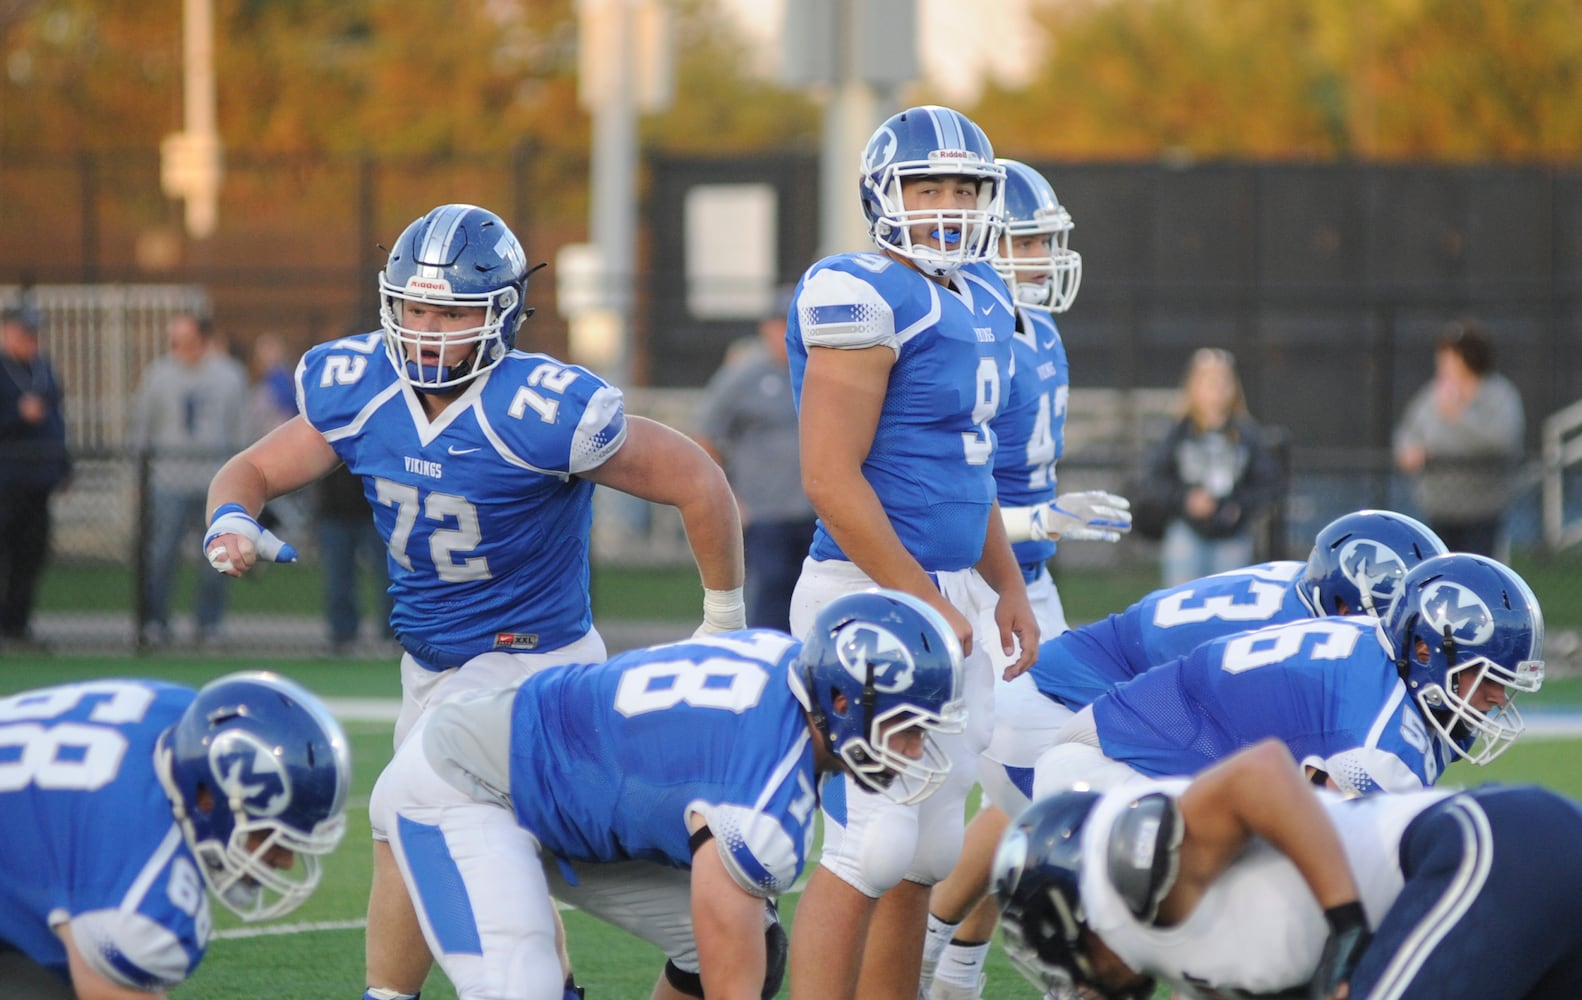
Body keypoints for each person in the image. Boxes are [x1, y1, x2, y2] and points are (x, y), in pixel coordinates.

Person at [199, 203, 744, 1000]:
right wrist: (230, 521)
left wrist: (723, 620)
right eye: (415, 307)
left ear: (501, 314)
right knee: (456, 838)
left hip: (536, 674)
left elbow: (699, 479)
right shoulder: (360, 385)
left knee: (403, 809)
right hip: (432, 668)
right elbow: (248, 471)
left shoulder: (540, 410)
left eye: (452, 311)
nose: (428, 328)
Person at [922, 508, 1445, 998]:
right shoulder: (1325, 637)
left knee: (1033, 826)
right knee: (1195, 883)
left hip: (1049, 703)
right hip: (1070, 709)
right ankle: (945, 968)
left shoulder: (1298, 587)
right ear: (1350, 606)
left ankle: (942, 969)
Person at [369, 588, 966, 1000]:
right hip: (466, 781)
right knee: (523, 987)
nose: (913, 751)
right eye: (906, 726)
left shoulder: (785, 661)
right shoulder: (760, 791)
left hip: (557, 793)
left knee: (755, 943)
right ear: (840, 701)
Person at [784, 104, 1042, 1000]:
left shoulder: (985, 295)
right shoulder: (858, 289)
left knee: (928, 850)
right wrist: (918, 598)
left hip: (946, 590)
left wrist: (1001, 583)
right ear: (881, 194)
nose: (945, 204)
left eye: (962, 187)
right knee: (871, 842)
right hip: (866, 592)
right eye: (925, 185)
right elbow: (828, 476)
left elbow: (968, 471)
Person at [920, 159, 1130, 1000]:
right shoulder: (964, 336)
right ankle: (938, 954)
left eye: (1049, 241)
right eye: (1031, 241)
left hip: (1028, 585)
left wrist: (1041, 527)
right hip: (964, 581)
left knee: (1021, 793)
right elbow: (938, 498)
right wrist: (1036, 524)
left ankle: (956, 968)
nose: (1046, 258)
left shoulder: (1040, 333)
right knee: (1030, 785)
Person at [993, 738, 1582, 1000]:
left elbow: (1263, 773)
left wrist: (1345, 923)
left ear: (1066, 911)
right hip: (1515, 865)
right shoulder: (1186, 957)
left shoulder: (1130, 869)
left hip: (1493, 849)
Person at [1035, 550, 1545, 803]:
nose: (1498, 701)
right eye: (1486, 678)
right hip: (1114, 777)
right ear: (1423, 647)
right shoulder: (1385, 742)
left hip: (1112, 742)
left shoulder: (1371, 639)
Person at [0, 670, 351, 999]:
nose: (285, 861)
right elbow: (103, 988)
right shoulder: (137, 881)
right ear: (205, 795)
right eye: (267, 832)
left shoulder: (187, 714)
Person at [693, 285, 817, 631]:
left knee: (814, 598)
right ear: (767, 328)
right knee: (770, 596)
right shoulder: (745, 375)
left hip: (816, 509)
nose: (788, 333)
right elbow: (705, 433)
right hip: (766, 511)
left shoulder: (817, 370)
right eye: (782, 324)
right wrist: (729, 495)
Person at [131, 309, 249, 646]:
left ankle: (209, 624)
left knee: (220, 557)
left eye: (188, 341)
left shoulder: (229, 376)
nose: (181, 349)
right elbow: (143, 428)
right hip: (168, 481)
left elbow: (242, 429)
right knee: (161, 554)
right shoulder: (158, 376)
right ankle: (154, 621)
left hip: (217, 483)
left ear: (204, 340)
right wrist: (137, 480)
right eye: (175, 342)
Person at [1134, 347, 1284, 587]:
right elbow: (1154, 480)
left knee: (1230, 602)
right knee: (1182, 601)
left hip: (1232, 536)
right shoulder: (1178, 431)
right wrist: (1186, 499)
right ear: (1193, 387)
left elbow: (1269, 483)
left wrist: (1238, 507)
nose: (1217, 390)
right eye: (1209, 382)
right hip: (1187, 533)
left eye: (1223, 382)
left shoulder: (1247, 434)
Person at [1393, 317, 1526, 557]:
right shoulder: (1433, 394)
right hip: (1438, 507)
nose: (1443, 362)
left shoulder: (1498, 394)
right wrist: (1409, 450)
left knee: (1476, 573)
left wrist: (1458, 416)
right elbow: (1408, 431)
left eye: (1451, 355)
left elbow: (1501, 440)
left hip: (1482, 509)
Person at [0, 302, 70, 649]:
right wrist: (16, 415)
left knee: (31, 555)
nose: (31, 341)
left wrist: (64, 464)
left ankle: (16, 626)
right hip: (5, 481)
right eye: (24, 333)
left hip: (38, 479)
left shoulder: (43, 368)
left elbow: (56, 419)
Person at [317, 463, 394, 653]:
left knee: (390, 577)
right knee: (338, 579)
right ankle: (343, 637)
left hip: (377, 511)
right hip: (335, 512)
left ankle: (392, 636)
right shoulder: (328, 436)